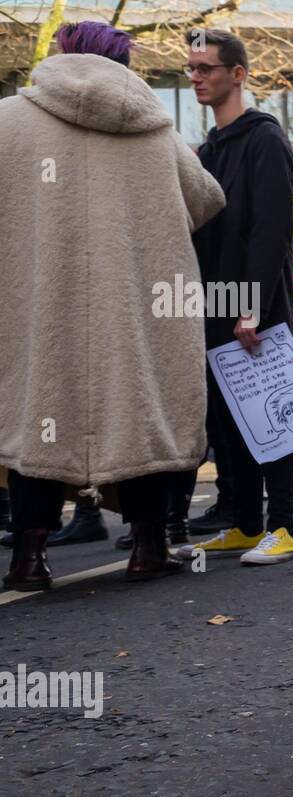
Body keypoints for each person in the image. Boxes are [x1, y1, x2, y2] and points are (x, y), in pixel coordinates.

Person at [0, 22, 224, 590]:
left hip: (39, 299)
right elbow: (207, 198)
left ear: (61, 53)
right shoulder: (154, 131)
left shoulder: (9, 122)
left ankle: (29, 557)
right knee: (139, 409)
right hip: (135, 305)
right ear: (126, 63)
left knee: (38, 412)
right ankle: (148, 545)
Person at [181, 28, 293, 567]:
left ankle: (284, 527)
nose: (196, 77)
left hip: (257, 300)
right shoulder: (207, 149)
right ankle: (247, 523)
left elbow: (271, 230)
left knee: (269, 411)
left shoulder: (265, 139)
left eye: (206, 67)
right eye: (191, 68)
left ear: (238, 74)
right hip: (213, 300)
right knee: (228, 421)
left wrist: (251, 304)